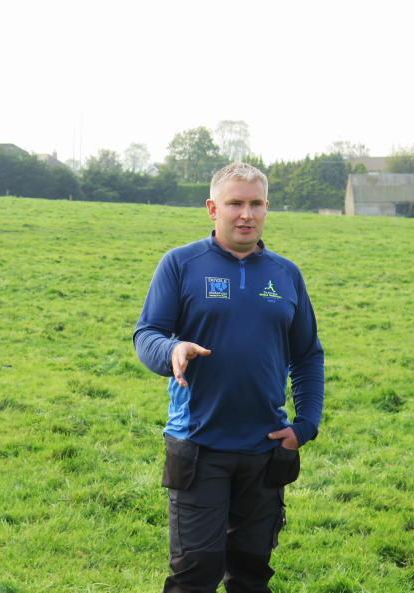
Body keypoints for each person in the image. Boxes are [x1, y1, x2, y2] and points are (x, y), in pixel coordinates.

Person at [133, 162, 324, 593]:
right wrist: (171, 350)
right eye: (235, 203)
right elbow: (147, 334)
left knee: (252, 573)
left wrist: (306, 425)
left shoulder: (286, 274)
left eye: (256, 204)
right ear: (212, 208)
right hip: (198, 443)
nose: (246, 214)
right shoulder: (181, 264)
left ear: (267, 208)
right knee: (195, 572)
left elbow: (308, 355)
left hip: (266, 446)